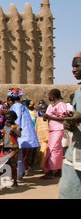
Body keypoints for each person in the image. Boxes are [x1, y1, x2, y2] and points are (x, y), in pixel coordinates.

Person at [59, 51, 81, 199]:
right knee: (67, 191)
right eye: (72, 67)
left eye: (77, 66)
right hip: (75, 149)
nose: (73, 70)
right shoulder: (79, 91)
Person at [6, 88, 39, 181]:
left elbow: (15, 120)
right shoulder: (23, 106)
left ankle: (18, 175)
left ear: (10, 99)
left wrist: (11, 129)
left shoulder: (16, 107)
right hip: (25, 134)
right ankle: (21, 172)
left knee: (18, 156)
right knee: (21, 156)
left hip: (20, 135)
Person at [0, 110, 22, 189]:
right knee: (2, 164)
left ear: (14, 118)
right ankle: (5, 181)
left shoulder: (16, 126)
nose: (7, 121)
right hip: (5, 148)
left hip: (13, 149)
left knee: (13, 166)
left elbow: (19, 134)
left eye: (9, 119)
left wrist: (11, 127)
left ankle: (15, 182)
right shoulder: (5, 127)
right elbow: (4, 136)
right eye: (6, 119)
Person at [41, 89, 66, 179]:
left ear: (53, 96)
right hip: (51, 129)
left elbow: (63, 118)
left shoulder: (61, 105)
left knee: (54, 149)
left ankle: (51, 171)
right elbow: (47, 116)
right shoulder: (50, 106)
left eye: (49, 95)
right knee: (53, 149)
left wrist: (50, 117)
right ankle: (58, 170)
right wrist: (45, 117)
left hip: (58, 129)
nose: (48, 97)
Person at [35, 100, 49, 170]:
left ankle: (44, 168)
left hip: (46, 138)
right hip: (39, 138)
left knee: (44, 152)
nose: (43, 111)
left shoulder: (49, 118)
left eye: (44, 109)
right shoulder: (38, 119)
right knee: (40, 153)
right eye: (42, 109)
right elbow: (36, 128)